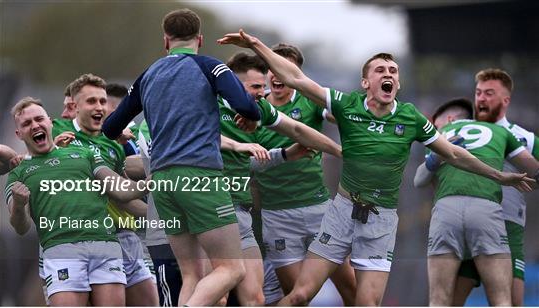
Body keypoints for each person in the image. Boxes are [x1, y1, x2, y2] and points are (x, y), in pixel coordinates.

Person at [217, 30, 535, 306]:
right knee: (300, 296)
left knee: (365, 301)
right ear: (366, 82)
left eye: (393, 70)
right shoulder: (346, 104)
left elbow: (452, 153)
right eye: (381, 69)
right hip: (341, 212)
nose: (389, 73)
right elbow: (296, 78)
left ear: (397, 82)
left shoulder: (410, 117)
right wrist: (256, 44)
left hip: (380, 221)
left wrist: (498, 175)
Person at [102, 9, 262, 306]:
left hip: (161, 182)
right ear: (199, 39)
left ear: (166, 41)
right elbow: (248, 107)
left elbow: (110, 127)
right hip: (199, 176)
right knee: (231, 269)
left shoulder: (147, 75)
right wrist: (253, 116)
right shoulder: (210, 67)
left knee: (192, 275)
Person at [229, 46, 356, 304]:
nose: (277, 75)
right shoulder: (252, 106)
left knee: (353, 289)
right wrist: (284, 154)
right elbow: (244, 161)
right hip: (277, 216)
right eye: (272, 68)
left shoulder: (309, 102)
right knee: (297, 297)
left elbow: (341, 116)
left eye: (284, 69)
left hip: (318, 209)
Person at [5, 97, 148, 306]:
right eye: (27, 123)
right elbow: (21, 227)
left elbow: (120, 190)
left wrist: (149, 184)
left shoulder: (84, 154)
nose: (35, 125)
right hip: (61, 249)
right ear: (19, 134)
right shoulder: (18, 173)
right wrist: (18, 204)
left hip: (104, 244)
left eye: (38, 119)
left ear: (49, 123)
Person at [413, 98, 538, 306]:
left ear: (450, 119)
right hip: (487, 211)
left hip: (446, 212)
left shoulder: (439, 135)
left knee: (439, 299)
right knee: (501, 299)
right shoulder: (501, 132)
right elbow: (533, 169)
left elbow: (419, 181)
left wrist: (436, 157)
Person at [52, 74, 158, 306]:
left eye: (102, 102)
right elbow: (26, 156)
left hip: (121, 236)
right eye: (92, 101)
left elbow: (122, 195)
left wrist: (158, 216)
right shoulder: (55, 130)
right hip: (73, 240)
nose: (100, 107)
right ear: (74, 106)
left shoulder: (113, 141)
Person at [450, 69, 539, 306]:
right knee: (449, 301)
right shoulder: (460, 131)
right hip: (465, 225)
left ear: (505, 100)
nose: (481, 99)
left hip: (507, 225)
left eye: (489, 93)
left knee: (510, 302)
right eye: (478, 93)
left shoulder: (524, 138)